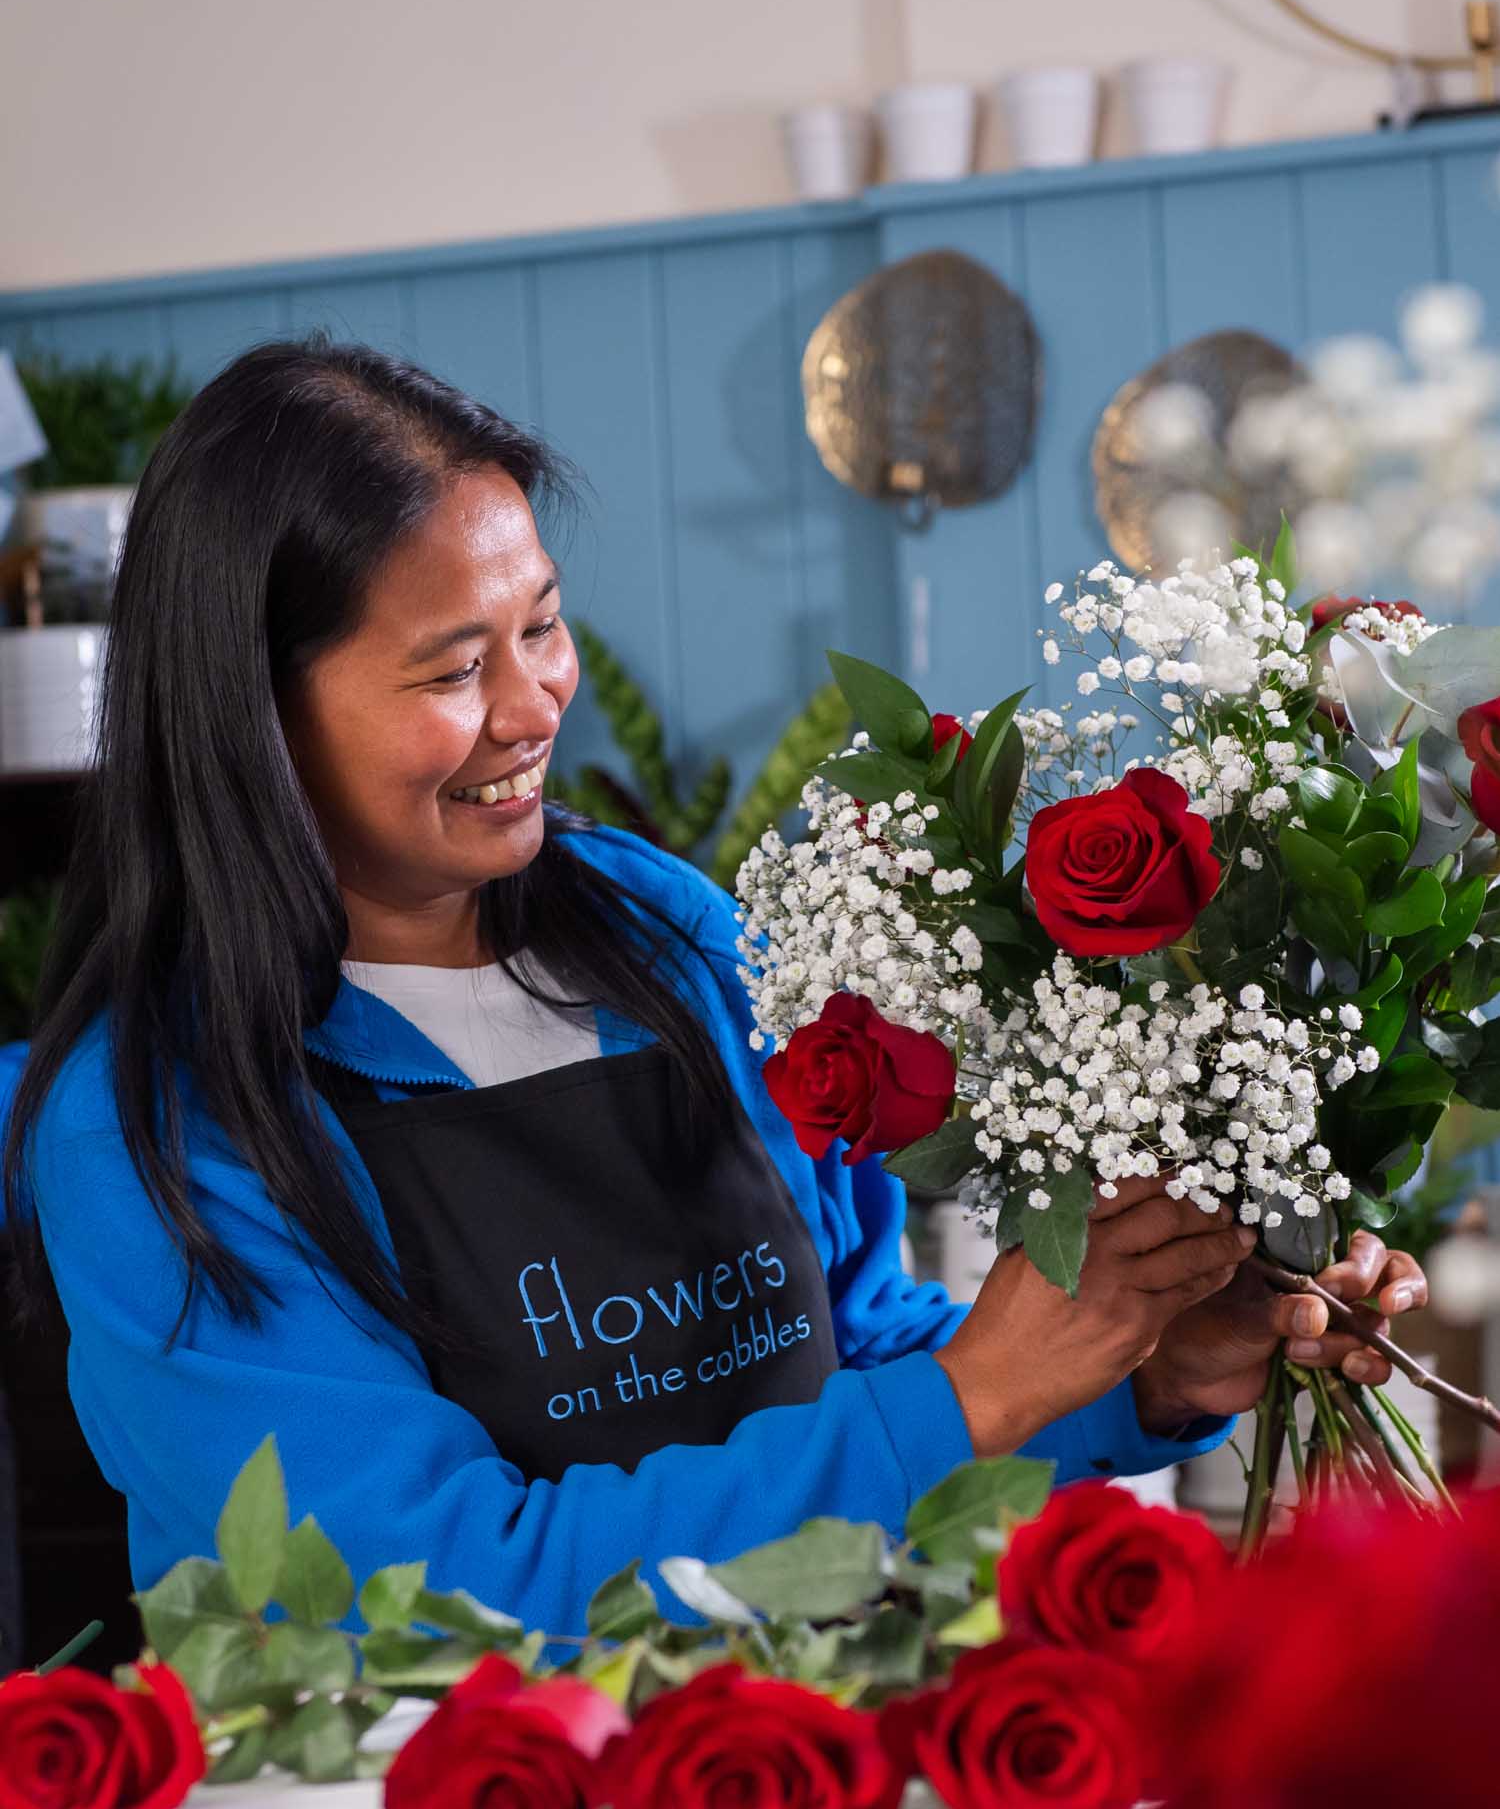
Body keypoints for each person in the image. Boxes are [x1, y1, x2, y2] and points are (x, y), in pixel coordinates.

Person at [3, 339, 1428, 1637]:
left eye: (543, 627)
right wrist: (974, 1395)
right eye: (451, 668)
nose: (532, 707)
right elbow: (428, 1592)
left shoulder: (661, 930)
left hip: (802, 1761)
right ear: (256, 718)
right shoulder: (157, 1123)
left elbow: (847, 1347)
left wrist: (1142, 1366)